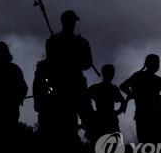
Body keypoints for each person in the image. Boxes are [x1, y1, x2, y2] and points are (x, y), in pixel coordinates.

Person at [37, 10, 94, 143]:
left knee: (82, 120)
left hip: (67, 86)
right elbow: (87, 64)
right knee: (75, 121)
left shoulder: (53, 41)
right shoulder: (79, 42)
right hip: (69, 86)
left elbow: (87, 63)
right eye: (72, 21)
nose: (73, 24)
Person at [120, 54, 161, 143]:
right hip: (148, 116)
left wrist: (136, 96)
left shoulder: (141, 76)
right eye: (156, 63)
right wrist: (137, 96)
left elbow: (123, 86)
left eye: (158, 63)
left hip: (145, 115)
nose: (157, 65)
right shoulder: (152, 78)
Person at [87, 64, 125, 143]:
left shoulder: (95, 88)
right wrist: (117, 112)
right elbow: (123, 102)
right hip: (110, 119)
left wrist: (92, 114)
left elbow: (85, 100)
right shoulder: (113, 88)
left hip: (100, 119)